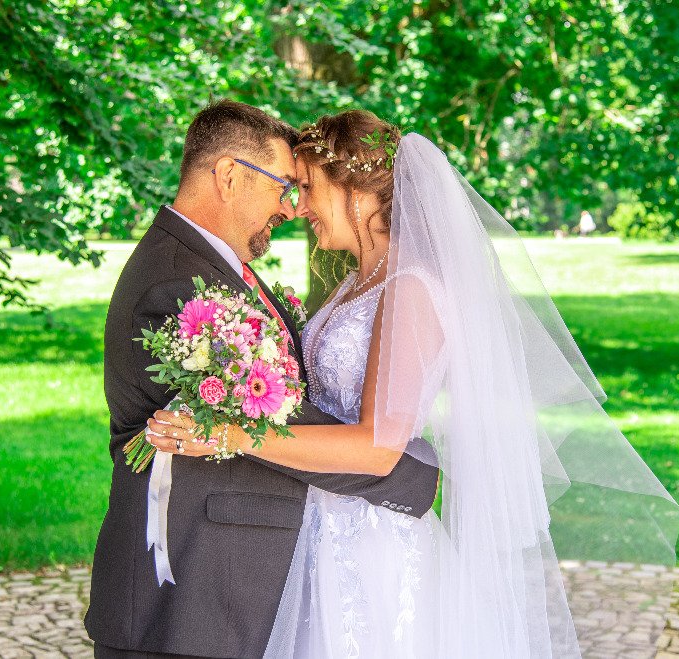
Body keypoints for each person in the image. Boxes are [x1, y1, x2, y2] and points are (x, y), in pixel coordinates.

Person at [149, 111, 679, 657]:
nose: (298, 206)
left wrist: (233, 436)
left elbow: (379, 448)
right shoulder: (359, 282)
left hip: (371, 543)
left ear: (356, 192)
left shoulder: (409, 289)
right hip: (322, 522)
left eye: (307, 187)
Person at [85, 101, 440, 659]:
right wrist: (405, 475)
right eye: (285, 186)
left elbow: (275, 415)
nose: (291, 207)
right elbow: (274, 417)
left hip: (280, 566)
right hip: (189, 594)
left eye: (304, 188)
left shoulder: (214, 269)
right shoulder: (174, 284)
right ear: (229, 176)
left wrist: (382, 450)